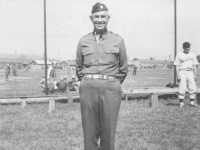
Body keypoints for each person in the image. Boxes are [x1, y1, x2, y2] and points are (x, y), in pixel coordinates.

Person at [76, 3, 128, 150]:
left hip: (111, 88)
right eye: (96, 17)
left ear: (108, 18)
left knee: (108, 131)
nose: (99, 20)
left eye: (103, 17)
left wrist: (111, 82)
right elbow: (79, 67)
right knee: (89, 131)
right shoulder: (83, 41)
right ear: (91, 18)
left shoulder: (118, 40)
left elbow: (123, 69)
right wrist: (88, 81)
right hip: (88, 88)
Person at [174, 42, 199, 107]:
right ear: (183, 47)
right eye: (186, 47)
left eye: (188, 47)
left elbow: (195, 65)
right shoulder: (179, 55)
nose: (187, 48)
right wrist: (178, 75)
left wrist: (195, 75)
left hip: (190, 72)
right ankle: (181, 103)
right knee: (182, 87)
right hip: (182, 71)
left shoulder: (192, 55)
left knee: (192, 86)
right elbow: (176, 65)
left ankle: (192, 102)